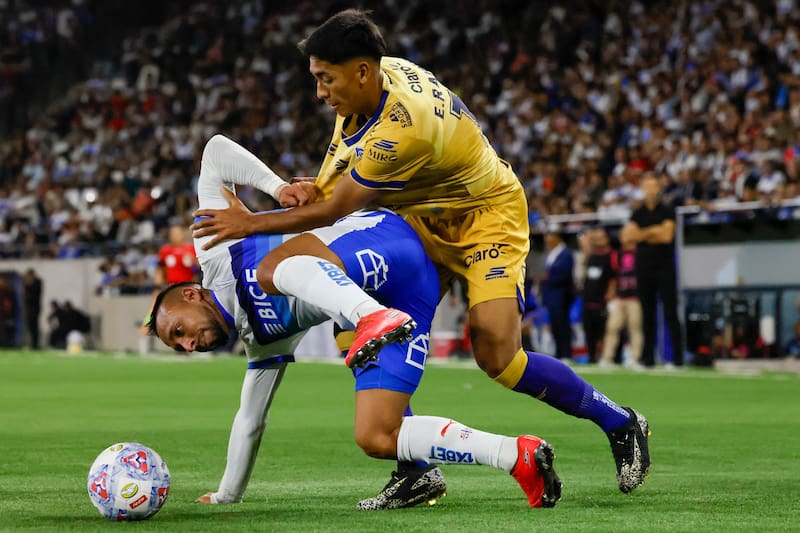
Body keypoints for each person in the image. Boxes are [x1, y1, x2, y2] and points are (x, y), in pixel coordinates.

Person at [190, 9, 649, 494]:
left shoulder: (404, 126)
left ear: (361, 71)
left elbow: (336, 209)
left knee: (498, 356)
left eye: (326, 79)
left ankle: (620, 422)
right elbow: (337, 182)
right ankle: (415, 471)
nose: (320, 93)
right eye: (316, 79)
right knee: (356, 325)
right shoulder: (369, 90)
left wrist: (251, 222)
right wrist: (304, 189)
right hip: (419, 217)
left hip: (483, 215)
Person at [148, 133, 562, 510]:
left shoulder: (216, 253)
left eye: (178, 331)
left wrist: (279, 189)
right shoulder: (261, 342)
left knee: (271, 271)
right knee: (377, 435)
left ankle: (369, 317)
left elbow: (215, 152)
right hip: (407, 290)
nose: (187, 345)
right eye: (179, 345)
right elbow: (249, 420)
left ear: (191, 294)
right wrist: (226, 495)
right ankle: (515, 455)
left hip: (386, 236)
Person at [625, 173, 684, 367]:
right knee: (647, 314)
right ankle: (648, 358)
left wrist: (642, 234)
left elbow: (666, 236)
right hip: (644, 268)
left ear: (659, 188)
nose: (650, 190)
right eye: (647, 186)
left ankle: (677, 358)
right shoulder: (638, 213)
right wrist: (653, 231)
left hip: (665, 267)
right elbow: (627, 238)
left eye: (653, 186)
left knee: (670, 312)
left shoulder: (667, 210)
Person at [601, 226, 644, 368]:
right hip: (620, 297)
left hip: (635, 297)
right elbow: (614, 276)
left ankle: (635, 358)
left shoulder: (640, 253)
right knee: (612, 327)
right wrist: (611, 293)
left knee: (635, 328)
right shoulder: (617, 254)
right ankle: (607, 358)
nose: (624, 237)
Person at [540, 229, 575, 361]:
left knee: (562, 324)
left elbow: (564, 273)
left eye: (549, 235)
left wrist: (546, 277)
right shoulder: (550, 253)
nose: (546, 239)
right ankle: (559, 352)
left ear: (557, 237)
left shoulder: (566, 253)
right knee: (554, 325)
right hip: (550, 295)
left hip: (561, 295)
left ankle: (566, 353)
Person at [580, 228, 614, 363]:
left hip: (602, 302)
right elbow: (583, 240)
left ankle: (606, 357)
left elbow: (613, 278)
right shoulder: (591, 257)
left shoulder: (611, 256)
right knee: (589, 331)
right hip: (588, 300)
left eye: (601, 237)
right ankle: (591, 357)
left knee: (604, 332)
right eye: (596, 238)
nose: (598, 240)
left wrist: (611, 293)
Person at [22, 268, 43, 349]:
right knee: (30, 327)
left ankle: (35, 345)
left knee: (34, 327)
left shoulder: (37, 282)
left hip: (34, 308)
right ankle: (32, 344)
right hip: (29, 308)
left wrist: (27, 284)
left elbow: (34, 295)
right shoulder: (28, 283)